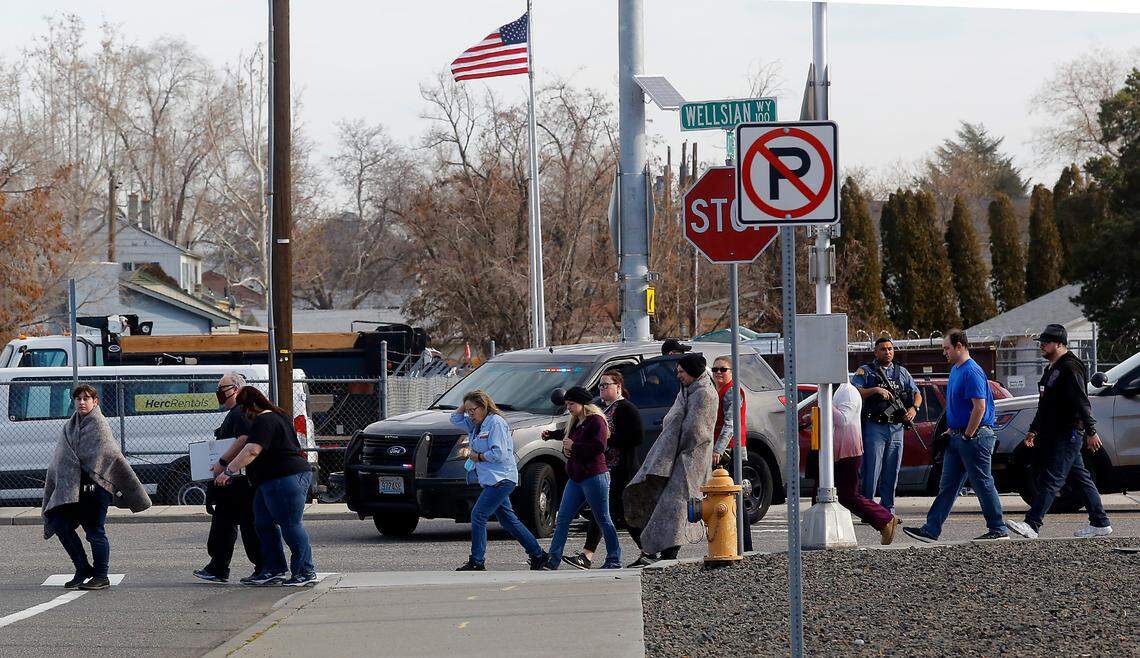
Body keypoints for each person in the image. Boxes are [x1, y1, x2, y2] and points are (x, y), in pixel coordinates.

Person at [1007, 324, 1112, 540]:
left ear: (1059, 343)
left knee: (1052, 478)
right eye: (1041, 342)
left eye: (1046, 342)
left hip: (1069, 432)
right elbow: (1045, 404)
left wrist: (1091, 430)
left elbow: (1082, 401)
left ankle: (1032, 524)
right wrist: (1033, 430)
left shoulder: (1071, 367)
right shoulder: (1052, 368)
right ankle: (1100, 523)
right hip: (1054, 433)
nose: (1042, 346)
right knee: (1081, 478)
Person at [42, 385, 152, 590]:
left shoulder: (99, 424)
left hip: (96, 489)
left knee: (94, 532)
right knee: (60, 525)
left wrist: (77, 466)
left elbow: (105, 454)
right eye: (78, 399)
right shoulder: (70, 425)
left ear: (95, 402)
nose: (82, 402)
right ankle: (82, 568)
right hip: (71, 489)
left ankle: (101, 575)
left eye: (86, 398)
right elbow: (62, 455)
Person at [904, 330, 1008, 543]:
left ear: (959, 346)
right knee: (948, 486)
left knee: (982, 483)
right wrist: (952, 431)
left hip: (975, 437)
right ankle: (931, 529)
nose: (945, 352)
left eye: (947, 348)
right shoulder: (956, 370)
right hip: (958, 437)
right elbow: (958, 407)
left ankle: (998, 528)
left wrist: (968, 434)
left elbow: (979, 406)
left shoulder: (972, 371)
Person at [215, 387, 317, 586]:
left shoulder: (265, 420)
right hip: (270, 480)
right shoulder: (279, 416)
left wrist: (228, 471)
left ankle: (305, 571)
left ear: (250, 406)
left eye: (243, 409)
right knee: (262, 522)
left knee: (290, 524)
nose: (244, 415)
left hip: (285, 477)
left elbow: (252, 450)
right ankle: (273, 569)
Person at [623, 352, 717, 567]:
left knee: (674, 507)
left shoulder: (704, 394)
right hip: (674, 456)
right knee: (661, 502)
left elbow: (695, 431)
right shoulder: (689, 390)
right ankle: (656, 550)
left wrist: (677, 451)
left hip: (689, 459)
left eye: (682, 371)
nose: (678, 375)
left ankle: (665, 552)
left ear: (693, 372)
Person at [450, 390, 548, 571]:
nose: (470, 414)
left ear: (484, 406)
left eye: (473, 410)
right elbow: (454, 419)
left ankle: (477, 560)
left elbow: (499, 454)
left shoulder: (495, 423)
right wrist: (466, 402)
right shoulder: (475, 424)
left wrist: (476, 456)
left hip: (501, 479)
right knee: (509, 521)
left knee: (478, 515)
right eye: (468, 410)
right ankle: (538, 555)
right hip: (490, 480)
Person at [562, 371, 643, 570]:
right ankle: (588, 555)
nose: (602, 388)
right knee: (603, 513)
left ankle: (646, 550)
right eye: (600, 386)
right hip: (603, 468)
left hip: (621, 469)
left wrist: (607, 439)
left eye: (606, 385)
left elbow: (636, 438)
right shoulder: (603, 410)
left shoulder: (626, 408)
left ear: (618, 386)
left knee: (613, 513)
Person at [541, 387, 623, 570]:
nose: (568, 407)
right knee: (562, 518)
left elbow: (599, 446)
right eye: (567, 404)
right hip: (576, 477)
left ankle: (614, 558)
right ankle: (553, 560)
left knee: (603, 518)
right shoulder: (576, 421)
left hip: (595, 476)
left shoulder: (597, 421)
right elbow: (566, 435)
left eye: (571, 404)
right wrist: (551, 436)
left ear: (583, 404)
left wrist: (575, 446)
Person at [194, 372, 262, 583]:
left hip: (240, 481)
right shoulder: (236, 412)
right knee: (223, 523)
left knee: (249, 526)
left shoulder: (241, 412)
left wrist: (223, 464)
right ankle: (218, 566)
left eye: (222, 389)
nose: (219, 394)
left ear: (237, 389)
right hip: (232, 481)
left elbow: (243, 439)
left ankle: (263, 566)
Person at [851, 337, 922, 514]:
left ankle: (887, 508)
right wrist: (875, 390)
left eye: (890, 349)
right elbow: (854, 391)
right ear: (875, 352)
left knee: (892, 469)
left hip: (896, 427)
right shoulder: (866, 371)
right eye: (883, 349)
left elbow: (917, 393)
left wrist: (914, 409)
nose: (887, 352)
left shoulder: (902, 372)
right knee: (871, 469)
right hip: (875, 426)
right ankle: (867, 508)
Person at [831, 383, 901, 544]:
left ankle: (885, 519)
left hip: (847, 450)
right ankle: (884, 519)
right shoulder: (836, 391)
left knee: (848, 495)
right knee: (833, 494)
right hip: (836, 451)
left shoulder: (847, 391)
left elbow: (843, 419)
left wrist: (825, 404)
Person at [710, 355, 752, 552]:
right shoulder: (719, 391)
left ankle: (745, 545)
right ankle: (735, 543)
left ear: (732, 372)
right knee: (728, 498)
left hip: (732, 450)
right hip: (726, 449)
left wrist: (718, 449)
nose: (718, 372)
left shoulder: (732, 392)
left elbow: (731, 423)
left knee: (734, 497)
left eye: (723, 369)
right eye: (715, 369)